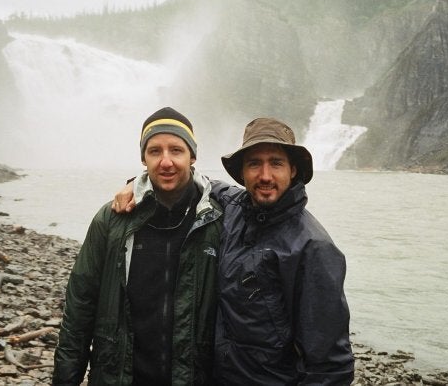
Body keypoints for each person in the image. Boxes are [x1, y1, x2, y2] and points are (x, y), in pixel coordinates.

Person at [114, 117, 355, 385]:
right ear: (242, 173)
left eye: (276, 163)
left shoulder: (313, 248)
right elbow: (194, 181)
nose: (265, 176)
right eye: (254, 164)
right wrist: (140, 182)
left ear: (293, 170)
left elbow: (331, 365)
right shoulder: (234, 207)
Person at [53, 107, 223, 386]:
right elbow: (80, 309)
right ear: (143, 158)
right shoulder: (112, 220)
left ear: (193, 156)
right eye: (155, 151)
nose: (166, 162)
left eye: (176, 150)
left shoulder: (217, 220)